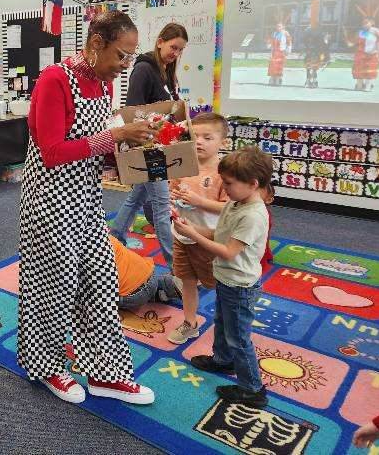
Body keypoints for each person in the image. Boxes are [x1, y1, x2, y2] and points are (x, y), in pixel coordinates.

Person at [18, 10, 157, 405]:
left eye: (130, 57)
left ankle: (106, 374)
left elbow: (94, 146)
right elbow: (52, 152)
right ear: (96, 44)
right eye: (121, 55)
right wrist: (114, 136)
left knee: (100, 284)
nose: (125, 66)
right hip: (49, 203)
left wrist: (131, 152)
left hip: (86, 203)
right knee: (53, 287)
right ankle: (46, 367)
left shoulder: (102, 85)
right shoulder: (54, 80)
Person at [174, 146, 273, 407]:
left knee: (239, 337)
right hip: (227, 280)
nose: (224, 188)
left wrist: (193, 235)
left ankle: (252, 389)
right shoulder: (236, 203)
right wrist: (191, 227)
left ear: (252, 184)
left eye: (228, 183)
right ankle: (222, 360)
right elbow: (219, 234)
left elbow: (228, 251)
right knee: (222, 322)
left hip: (240, 285)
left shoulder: (252, 215)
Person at [111, 22, 188, 270]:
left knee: (136, 199)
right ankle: (176, 266)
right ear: (160, 41)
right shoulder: (144, 69)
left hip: (160, 146)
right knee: (162, 208)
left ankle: (114, 240)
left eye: (180, 50)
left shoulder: (166, 71)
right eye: (173, 47)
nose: (175, 53)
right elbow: (134, 110)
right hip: (149, 148)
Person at [167, 113, 229, 345]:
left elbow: (230, 209)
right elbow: (172, 190)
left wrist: (198, 201)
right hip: (181, 236)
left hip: (209, 239)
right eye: (195, 137)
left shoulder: (225, 173)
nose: (200, 142)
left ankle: (226, 327)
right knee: (187, 280)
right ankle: (190, 322)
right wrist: (174, 197)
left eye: (208, 137)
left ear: (223, 143)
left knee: (220, 285)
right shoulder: (183, 165)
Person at [110, 236, 181, 311]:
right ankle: (168, 285)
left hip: (133, 295)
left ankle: (155, 294)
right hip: (150, 275)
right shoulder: (106, 236)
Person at [348, 18, 379, 92]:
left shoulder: (376, 31)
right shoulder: (362, 32)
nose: (364, 24)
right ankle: (359, 85)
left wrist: (378, 53)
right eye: (363, 23)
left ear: (372, 23)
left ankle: (368, 86)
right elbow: (358, 42)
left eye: (366, 23)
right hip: (361, 55)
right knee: (359, 70)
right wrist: (352, 44)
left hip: (372, 54)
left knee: (369, 71)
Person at [301, 24, 330, 89]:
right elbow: (305, 43)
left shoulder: (320, 35)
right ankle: (308, 80)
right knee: (308, 67)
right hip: (310, 53)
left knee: (314, 68)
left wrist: (326, 57)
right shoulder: (307, 36)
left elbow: (325, 47)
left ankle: (314, 81)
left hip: (317, 53)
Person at [267, 22, 292, 86]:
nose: (278, 28)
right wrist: (269, 46)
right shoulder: (274, 33)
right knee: (272, 65)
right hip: (274, 52)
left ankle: (278, 79)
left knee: (279, 66)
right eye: (277, 26)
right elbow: (271, 42)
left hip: (281, 52)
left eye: (279, 26)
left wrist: (288, 50)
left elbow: (289, 42)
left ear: (283, 27)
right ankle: (272, 78)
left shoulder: (285, 33)